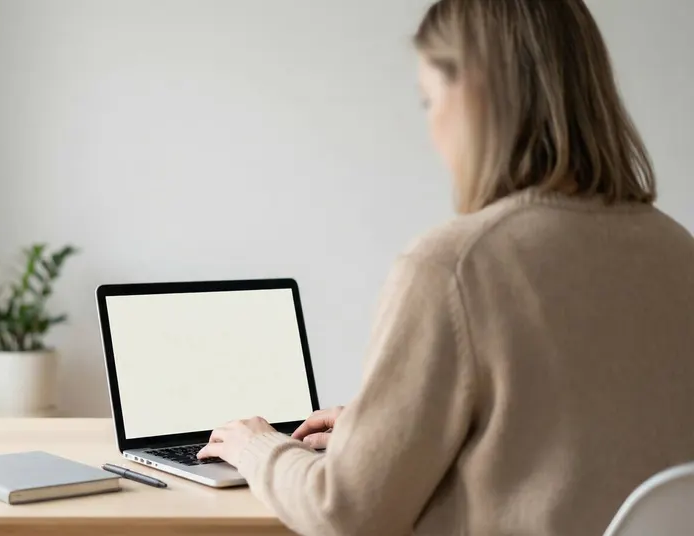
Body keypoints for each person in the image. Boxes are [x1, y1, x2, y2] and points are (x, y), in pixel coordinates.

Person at [196, 0, 694, 534]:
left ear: (475, 98)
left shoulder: (454, 265)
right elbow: (567, 462)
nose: (432, 127)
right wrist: (381, 440)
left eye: (428, 100)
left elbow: (344, 512)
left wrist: (259, 447)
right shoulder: (677, 249)